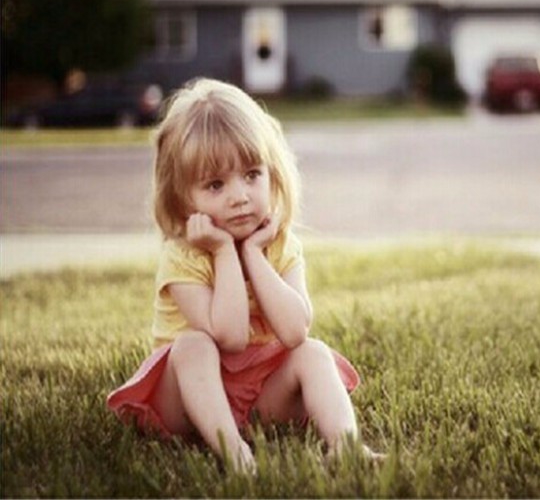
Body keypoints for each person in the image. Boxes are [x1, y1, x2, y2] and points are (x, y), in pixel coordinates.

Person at [107, 78, 376, 473]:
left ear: (272, 174)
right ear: (183, 199)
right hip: (191, 399)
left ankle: (346, 447)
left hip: (257, 396)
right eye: (215, 185)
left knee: (314, 352)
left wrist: (252, 253)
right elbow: (230, 337)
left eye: (252, 175)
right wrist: (223, 252)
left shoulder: (278, 245)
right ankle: (233, 451)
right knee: (193, 345)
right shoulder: (183, 256)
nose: (239, 196)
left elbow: (295, 331)